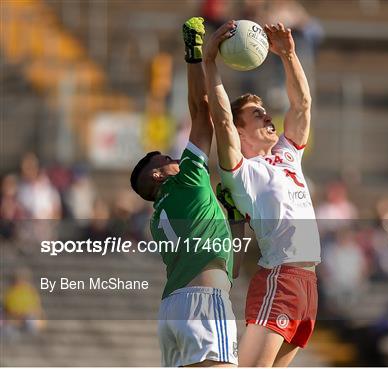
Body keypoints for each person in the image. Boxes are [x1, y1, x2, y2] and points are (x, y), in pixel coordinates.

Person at [204, 20, 320, 366]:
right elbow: (222, 121)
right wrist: (209, 63)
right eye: (257, 115)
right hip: (280, 279)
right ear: (240, 132)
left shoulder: (286, 153)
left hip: (308, 286)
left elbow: (302, 106)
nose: (267, 116)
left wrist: (288, 55)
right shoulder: (243, 173)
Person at [130, 17, 237, 367]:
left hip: (173, 307)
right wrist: (197, 57)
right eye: (169, 159)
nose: (179, 157)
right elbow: (202, 112)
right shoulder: (186, 181)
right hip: (203, 301)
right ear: (159, 175)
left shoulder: (159, 217)